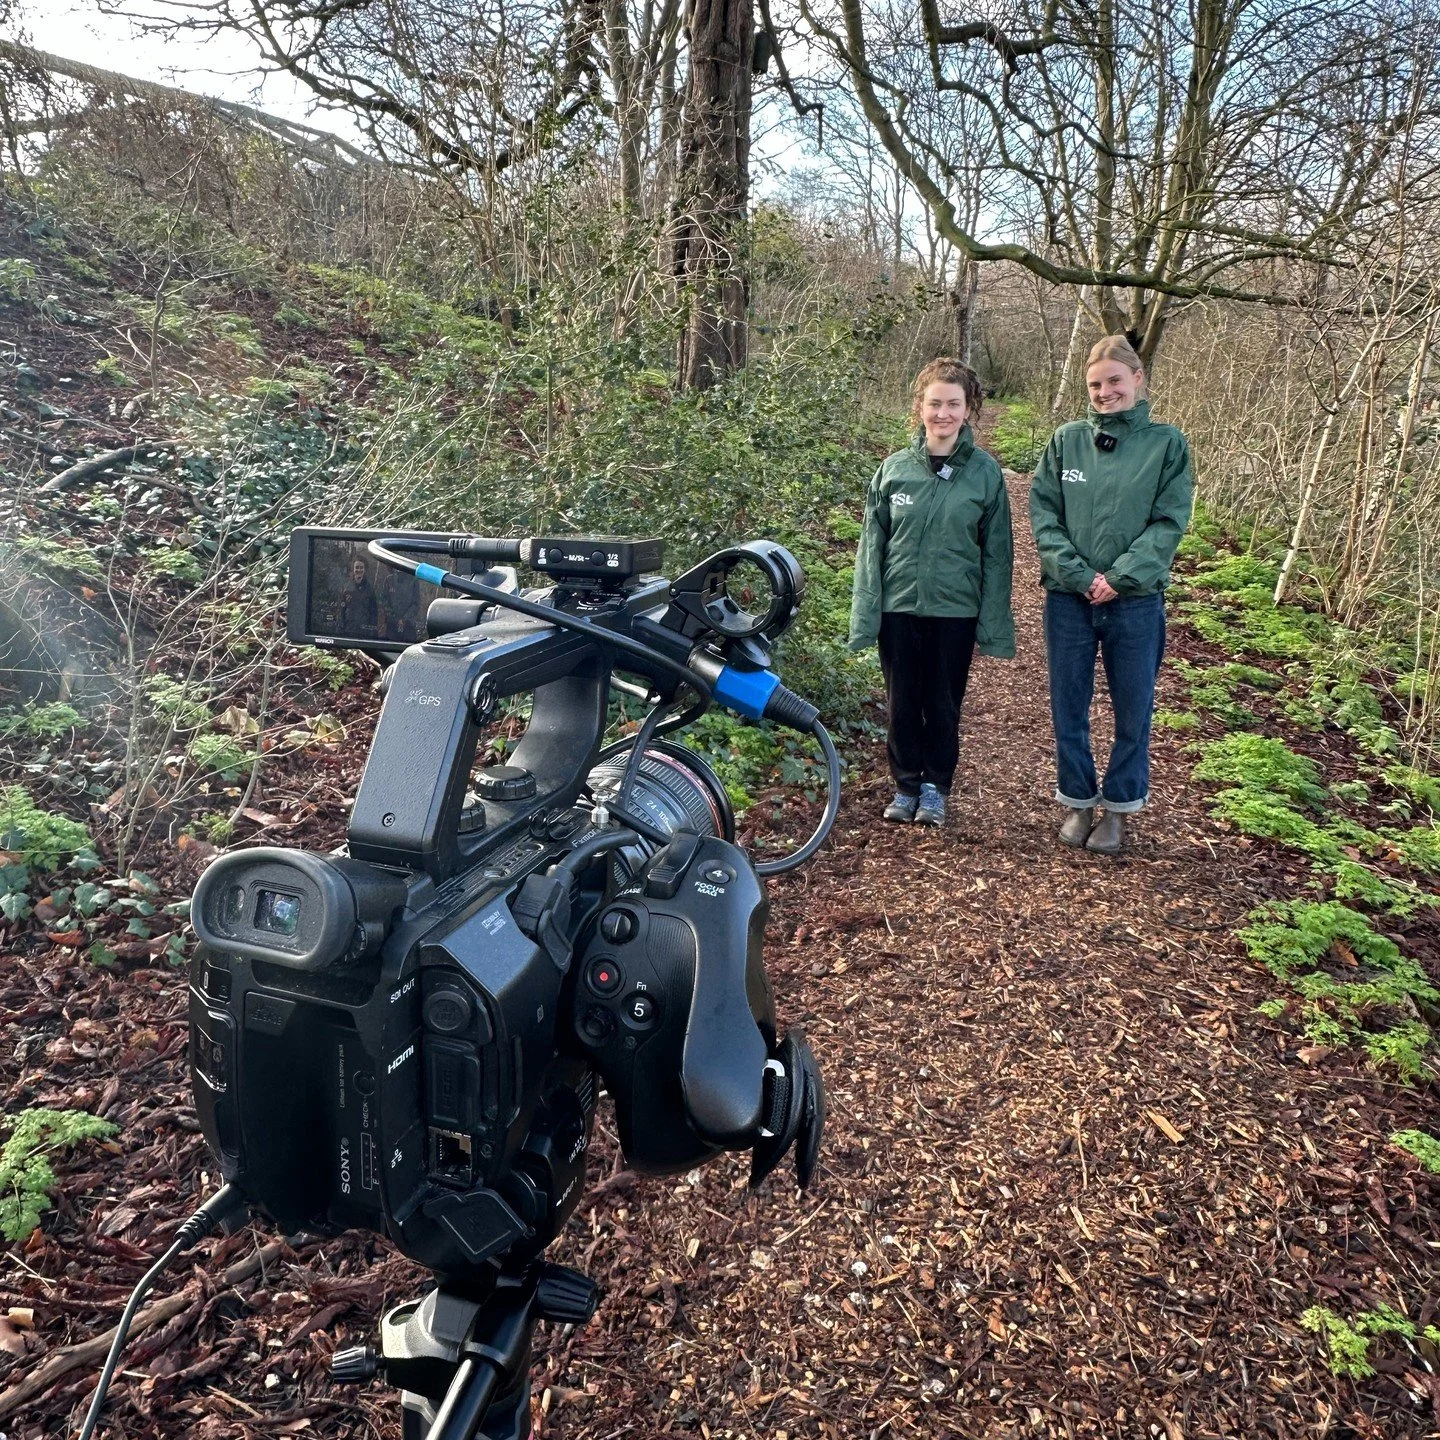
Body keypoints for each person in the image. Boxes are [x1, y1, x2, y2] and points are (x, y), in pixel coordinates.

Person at [1028, 333, 1194, 855]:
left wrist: (1117, 577)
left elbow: (1169, 522)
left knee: (1133, 709)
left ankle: (1119, 808)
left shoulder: (1167, 444)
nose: (1105, 392)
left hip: (1136, 601)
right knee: (1069, 706)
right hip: (1068, 600)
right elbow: (1044, 513)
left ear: (1138, 380)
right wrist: (1079, 576)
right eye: (1096, 385)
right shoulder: (1066, 440)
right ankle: (1077, 800)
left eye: (1115, 381)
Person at [848, 356, 1015, 827]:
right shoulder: (894, 470)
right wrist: (868, 612)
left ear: (969, 409)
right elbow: (871, 547)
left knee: (943, 703)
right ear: (919, 407)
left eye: (954, 404)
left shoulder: (985, 475)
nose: (943, 413)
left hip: (954, 611)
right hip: (899, 608)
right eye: (934, 403)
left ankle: (936, 786)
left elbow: (997, 555)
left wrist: (992, 622)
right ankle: (905, 785)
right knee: (902, 702)